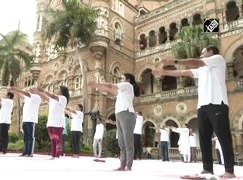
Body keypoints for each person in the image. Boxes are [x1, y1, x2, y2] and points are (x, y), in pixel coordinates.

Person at [152, 45, 235, 178]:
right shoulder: (201, 70)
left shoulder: (218, 59)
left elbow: (196, 62)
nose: (201, 55)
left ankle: (229, 171)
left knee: (223, 137)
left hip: (217, 103)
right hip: (202, 106)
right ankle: (207, 169)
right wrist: (164, 73)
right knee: (204, 138)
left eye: (203, 53)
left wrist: (175, 61)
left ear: (211, 52)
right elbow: (183, 73)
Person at [88, 73, 140, 171]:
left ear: (128, 80)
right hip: (119, 115)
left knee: (128, 141)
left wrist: (97, 83)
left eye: (122, 78)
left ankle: (128, 165)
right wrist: (97, 86)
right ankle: (122, 164)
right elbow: (109, 89)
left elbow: (110, 86)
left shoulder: (128, 85)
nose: (121, 80)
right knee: (121, 142)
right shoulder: (121, 91)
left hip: (127, 113)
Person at [37, 86, 69, 160]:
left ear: (61, 91)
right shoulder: (53, 99)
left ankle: (58, 155)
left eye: (58, 89)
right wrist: (38, 92)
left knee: (57, 139)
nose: (56, 90)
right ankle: (53, 155)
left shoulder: (63, 98)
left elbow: (51, 96)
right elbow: (46, 98)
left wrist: (43, 90)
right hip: (50, 122)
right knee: (52, 140)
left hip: (58, 123)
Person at [9, 87, 41, 157]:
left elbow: (26, 94)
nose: (30, 89)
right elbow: (21, 96)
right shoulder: (27, 98)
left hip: (31, 120)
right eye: (30, 89)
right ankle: (25, 152)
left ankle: (30, 153)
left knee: (30, 137)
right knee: (25, 137)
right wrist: (14, 91)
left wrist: (17, 89)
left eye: (32, 89)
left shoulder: (37, 97)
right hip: (25, 120)